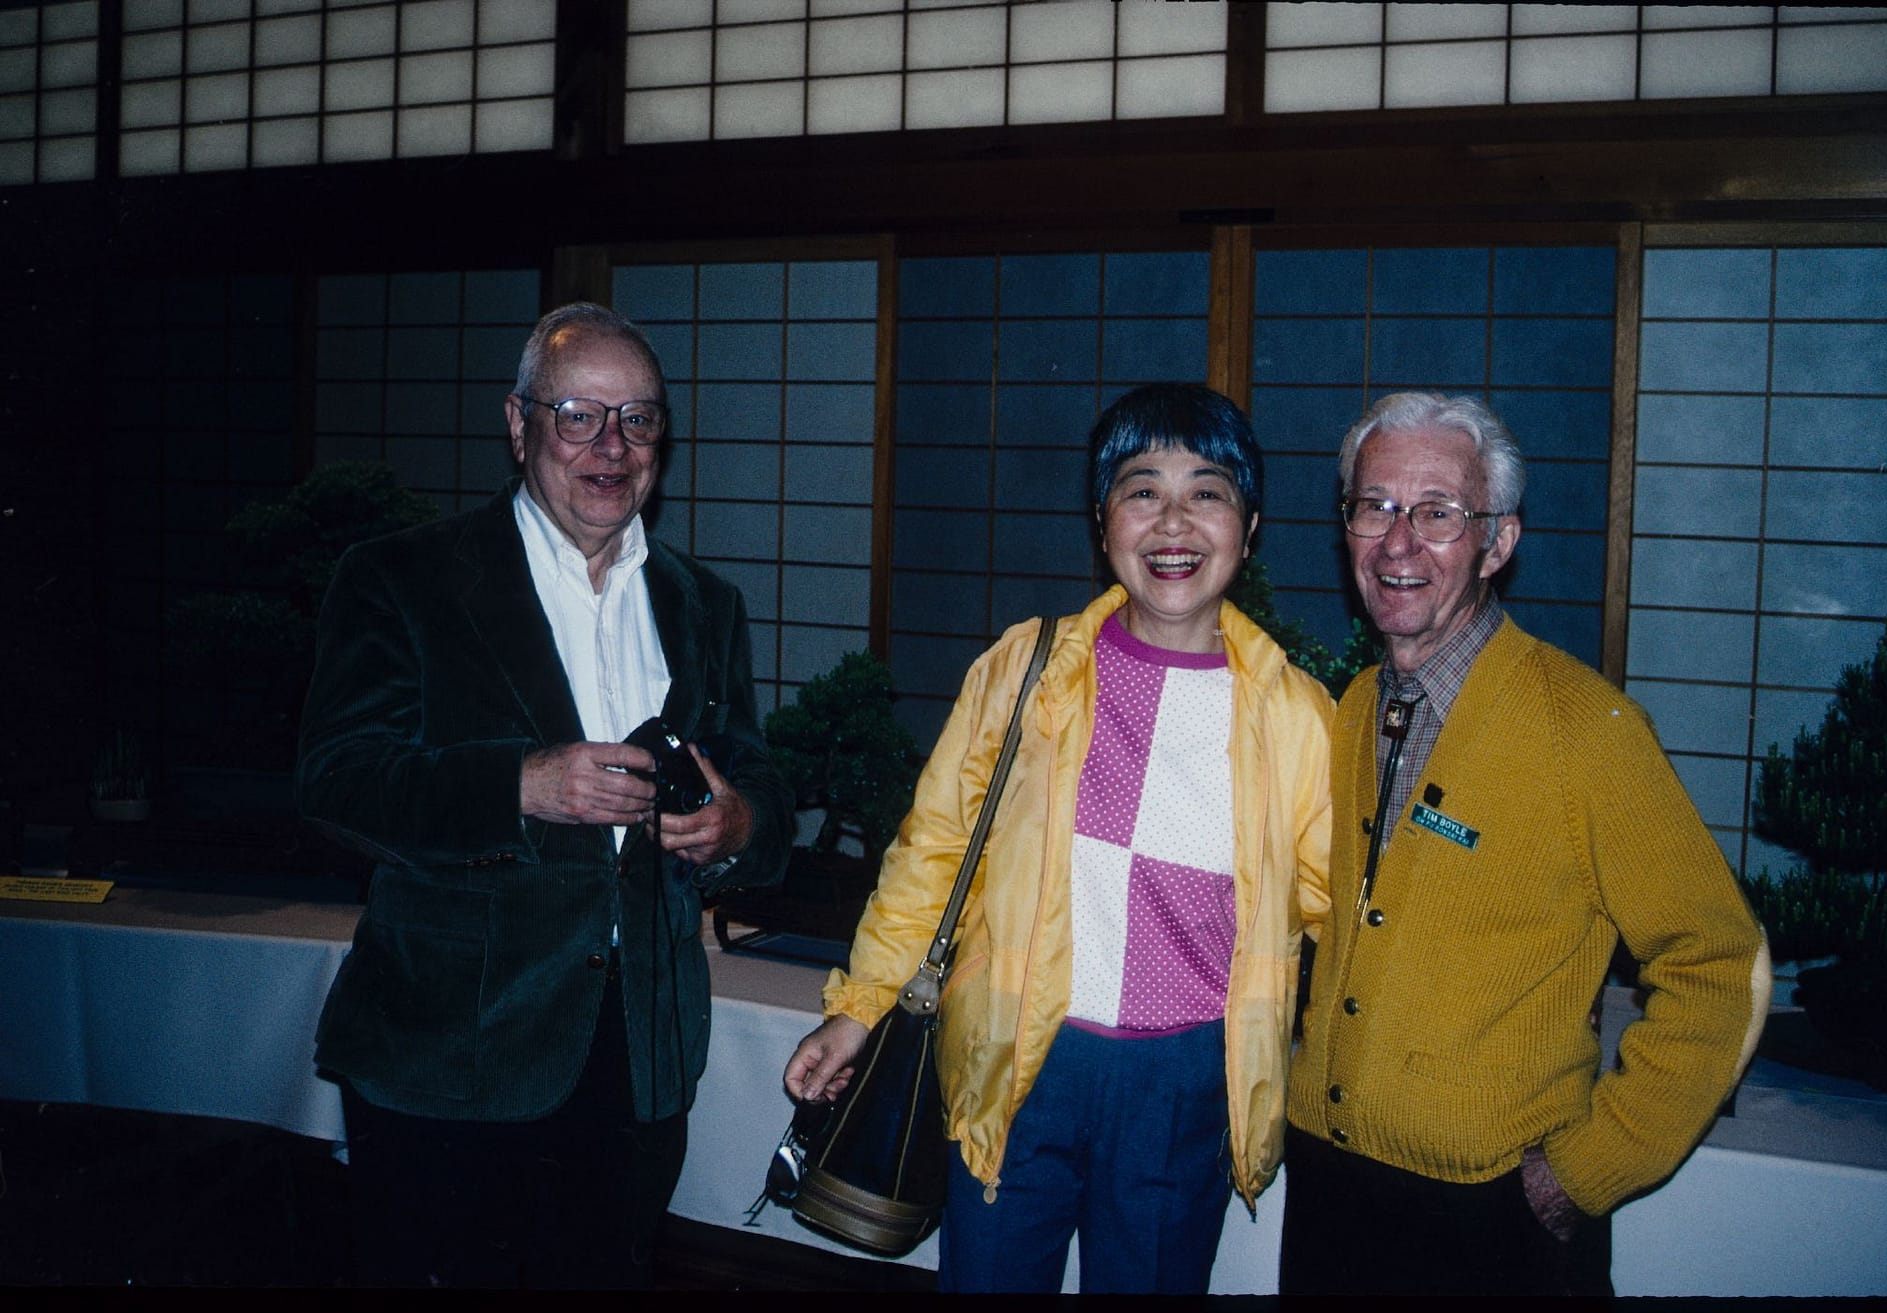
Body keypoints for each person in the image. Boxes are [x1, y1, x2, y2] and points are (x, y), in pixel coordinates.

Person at [784, 383, 1333, 1294]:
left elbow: (1327, 913)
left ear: (1251, 523)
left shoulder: (1294, 712)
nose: (1173, 520)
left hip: (1184, 1074)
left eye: (1207, 491)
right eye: (1141, 488)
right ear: (1101, 517)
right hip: (1016, 1053)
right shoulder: (1026, 667)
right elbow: (933, 851)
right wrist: (860, 1005)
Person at [298, 302, 793, 1288]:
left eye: (639, 418)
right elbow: (336, 780)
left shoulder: (706, 605)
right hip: (451, 1049)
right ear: (519, 425)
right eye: (578, 415)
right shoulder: (404, 578)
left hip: (639, 1056)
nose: (612, 445)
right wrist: (518, 784)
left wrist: (736, 821)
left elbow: (762, 789)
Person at [1280, 392, 1770, 1296]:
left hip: (1495, 1217)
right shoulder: (1352, 708)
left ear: (1497, 542)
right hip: (1331, 1193)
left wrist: (1587, 1169)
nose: (1398, 542)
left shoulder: (1585, 729)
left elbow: (1720, 961)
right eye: (1373, 505)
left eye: (1437, 513)